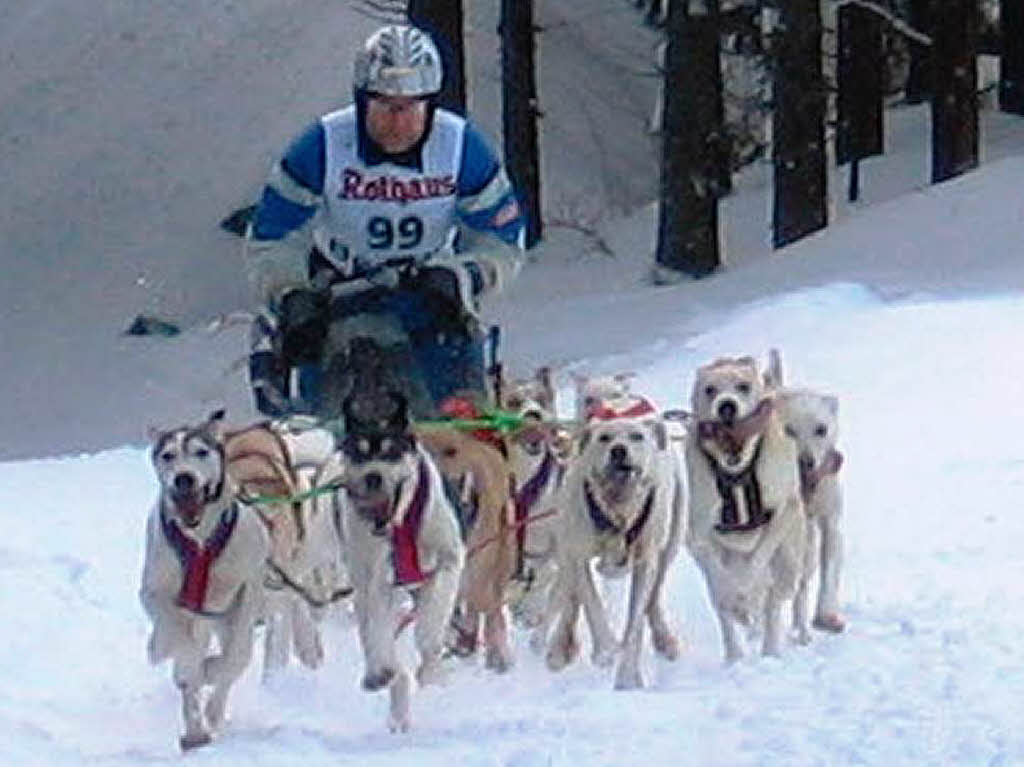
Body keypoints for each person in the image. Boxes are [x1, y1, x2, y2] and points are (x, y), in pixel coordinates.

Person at [244, 24, 525, 420]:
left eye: (412, 108)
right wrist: (290, 293)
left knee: (459, 430)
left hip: (429, 299)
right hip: (336, 298)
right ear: (362, 102)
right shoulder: (322, 146)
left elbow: (504, 239)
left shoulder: (462, 148)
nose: (399, 124)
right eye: (386, 108)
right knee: (323, 433)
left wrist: (466, 277)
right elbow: (271, 238)